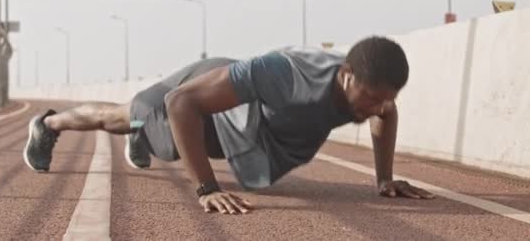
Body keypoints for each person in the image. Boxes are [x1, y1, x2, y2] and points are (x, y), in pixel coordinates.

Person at [23, 36, 435, 215]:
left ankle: (145, 135)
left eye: (386, 97)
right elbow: (181, 102)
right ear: (345, 76)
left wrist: (384, 179)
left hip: (232, 119)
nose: (377, 106)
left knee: (152, 130)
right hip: (196, 99)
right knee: (122, 116)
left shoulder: (369, 93)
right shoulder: (286, 73)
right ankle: (49, 124)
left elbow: (387, 114)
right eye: (370, 97)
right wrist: (207, 189)